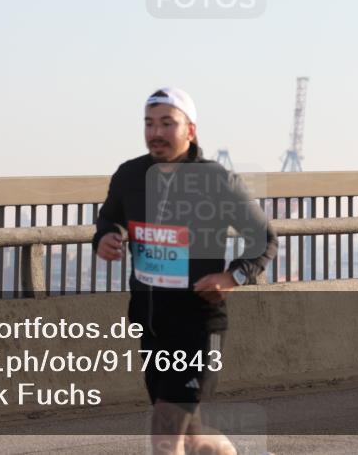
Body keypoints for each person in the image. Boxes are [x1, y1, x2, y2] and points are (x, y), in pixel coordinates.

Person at [92, 87, 278, 455]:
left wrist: (232, 277)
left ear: (190, 130)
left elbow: (263, 239)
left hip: (197, 322)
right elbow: (109, 220)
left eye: (167, 123)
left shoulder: (215, 180)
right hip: (151, 320)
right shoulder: (129, 175)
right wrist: (106, 238)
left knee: (165, 424)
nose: (155, 133)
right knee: (190, 432)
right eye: (149, 123)